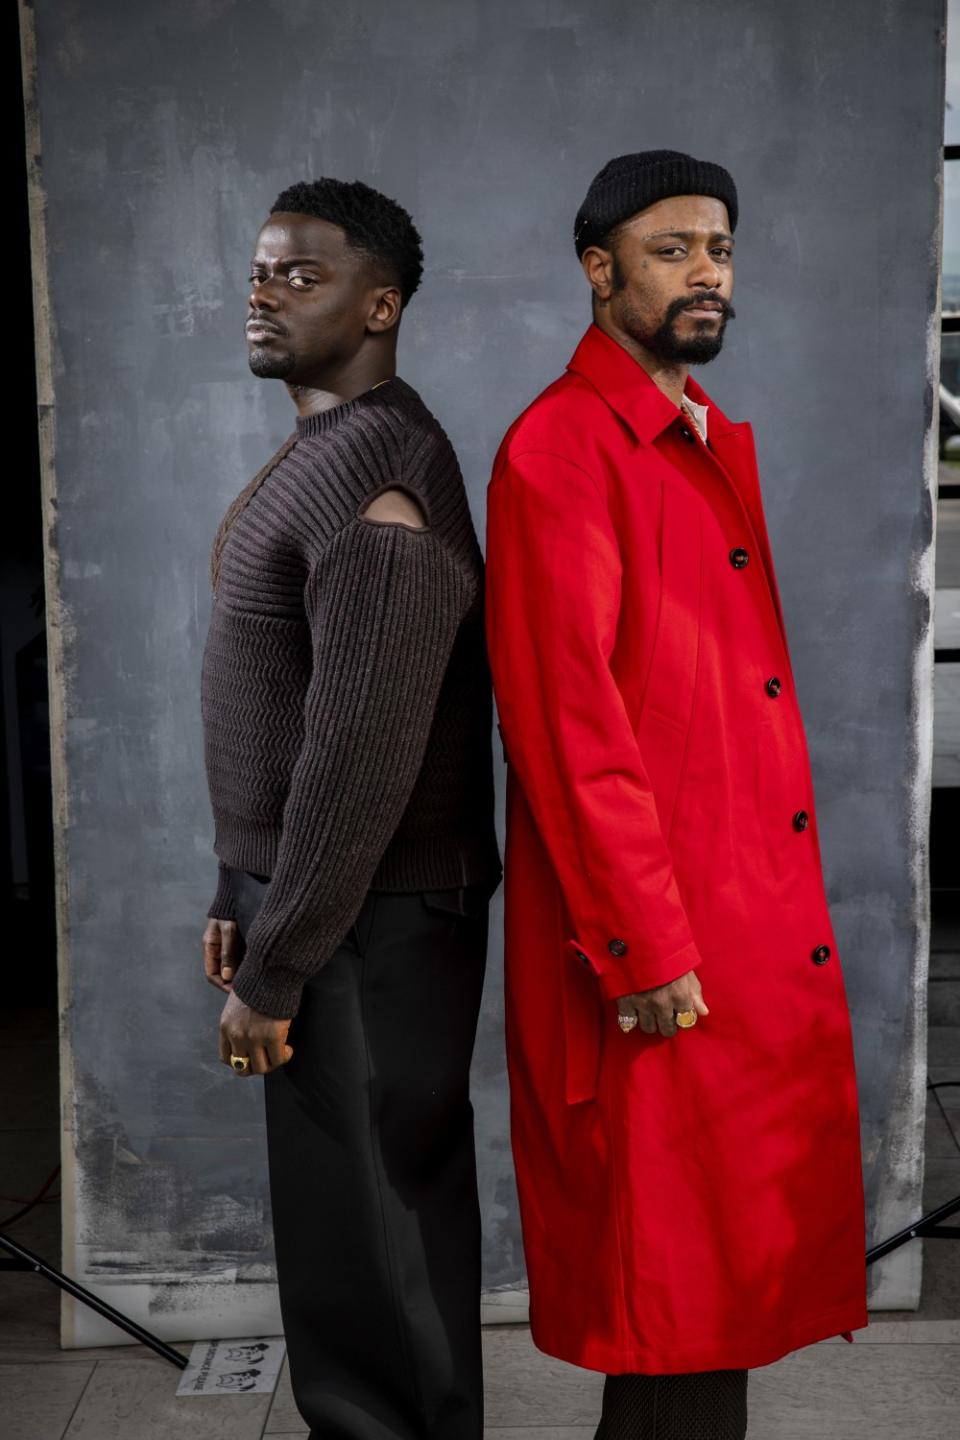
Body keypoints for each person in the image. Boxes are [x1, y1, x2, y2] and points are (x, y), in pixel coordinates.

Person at [484, 150, 868, 1440]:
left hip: (740, 942)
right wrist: (642, 944)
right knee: (672, 1305)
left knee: (712, 1306)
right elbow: (564, 725)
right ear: (600, 273)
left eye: (720, 249)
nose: (707, 273)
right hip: (659, 954)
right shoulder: (562, 450)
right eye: (671, 250)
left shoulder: (690, 435)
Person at [199, 177, 503, 1440]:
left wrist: (278, 967)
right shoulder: (328, 451)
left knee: (376, 1230)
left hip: (367, 917)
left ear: (381, 305)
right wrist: (239, 889)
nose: (266, 293)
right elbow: (288, 710)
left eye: (303, 274)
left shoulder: (380, 484)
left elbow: (359, 760)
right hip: (328, 903)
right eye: (263, 270)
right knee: (350, 1231)